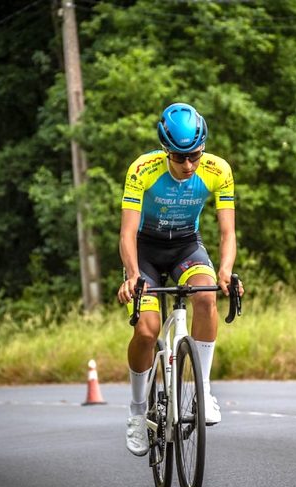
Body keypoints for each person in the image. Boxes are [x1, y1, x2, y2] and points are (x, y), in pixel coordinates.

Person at [117, 102, 243, 456]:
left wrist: (225, 271)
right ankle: (137, 412)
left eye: (195, 156)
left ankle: (203, 390)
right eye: (179, 157)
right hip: (145, 250)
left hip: (186, 246)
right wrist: (132, 275)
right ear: (165, 150)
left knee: (206, 297)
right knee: (147, 330)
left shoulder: (218, 170)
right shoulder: (142, 169)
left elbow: (228, 232)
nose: (188, 165)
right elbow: (127, 233)